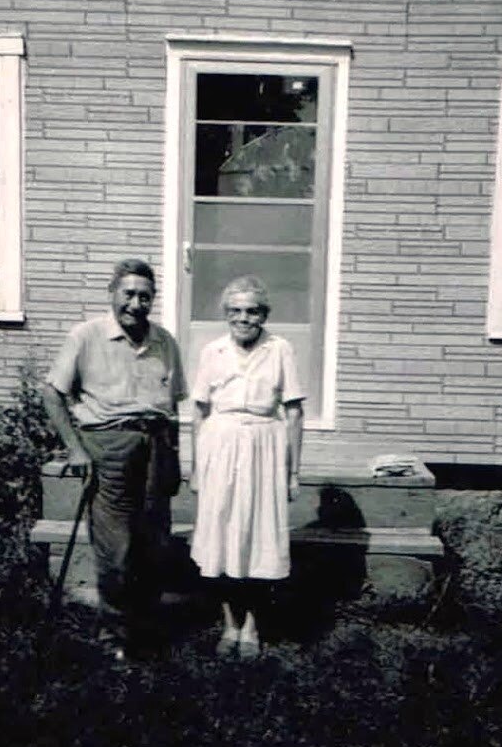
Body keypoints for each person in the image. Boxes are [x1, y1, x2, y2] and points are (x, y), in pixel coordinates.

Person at [42, 258, 186, 661]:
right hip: (108, 447)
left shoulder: (164, 342)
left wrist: (174, 460)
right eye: (129, 294)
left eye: (145, 296)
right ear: (112, 294)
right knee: (117, 552)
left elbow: (172, 406)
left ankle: (147, 633)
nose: (136, 304)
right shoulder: (86, 336)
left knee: (154, 547)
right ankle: (115, 642)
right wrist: (75, 448)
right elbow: (52, 394)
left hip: (157, 447)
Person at [189, 275, 305, 659]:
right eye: (235, 311)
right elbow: (200, 412)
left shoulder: (280, 349)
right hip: (220, 446)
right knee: (222, 537)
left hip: (264, 446)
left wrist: (292, 472)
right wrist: (197, 467)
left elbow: (293, 413)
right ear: (226, 314)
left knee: (259, 537)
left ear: (264, 315)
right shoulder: (213, 351)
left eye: (252, 311)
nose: (243, 318)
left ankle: (252, 626)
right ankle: (228, 623)